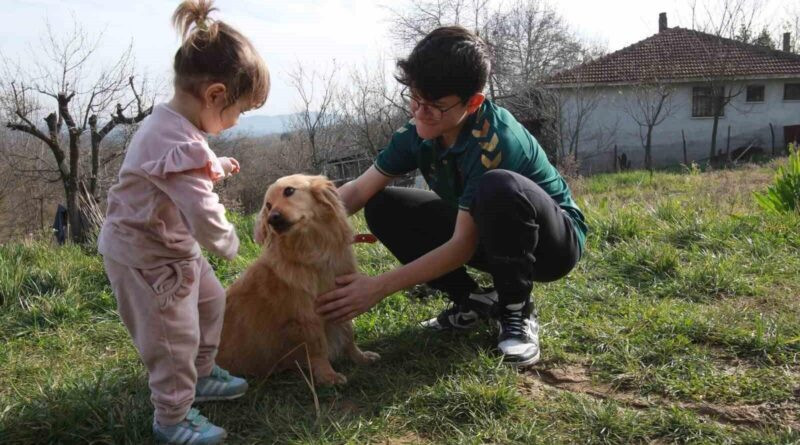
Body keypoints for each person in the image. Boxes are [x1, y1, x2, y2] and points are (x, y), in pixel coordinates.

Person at [315, 25, 587, 368]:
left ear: (473, 102)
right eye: (415, 98)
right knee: (383, 206)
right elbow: (357, 190)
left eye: (435, 106)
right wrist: (301, 221)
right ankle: (473, 301)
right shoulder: (419, 129)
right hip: (486, 233)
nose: (420, 112)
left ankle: (516, 310)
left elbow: (461, 245)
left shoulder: (494, 141)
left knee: (498, 186)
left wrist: (378, 287)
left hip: (550, 246)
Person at [97, 1, 269, 443]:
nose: (234, 121)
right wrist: (228, 241)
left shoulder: (173, 124)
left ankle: (203, 373)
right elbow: (201, 209)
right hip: (147, 261)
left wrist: (217, 163)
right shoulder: (176, 139)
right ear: (214, 95)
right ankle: (172, 418)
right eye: (238, 112)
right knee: (172, 340)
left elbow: (184, 165)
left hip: (172, 249)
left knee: (211, 303)